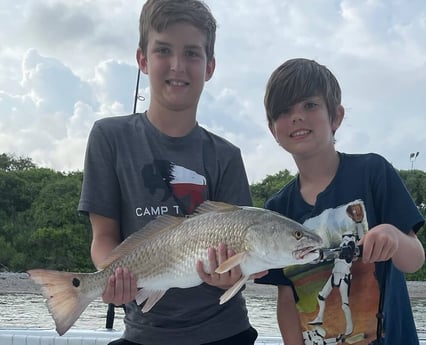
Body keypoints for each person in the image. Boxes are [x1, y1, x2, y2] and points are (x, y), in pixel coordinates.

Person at [78, 1, 260, 344]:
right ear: (142, 60)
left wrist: (231, 274)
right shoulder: (108, 137)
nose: (178, 65)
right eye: (163, 50)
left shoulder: (227, 156)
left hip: (225, 332)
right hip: (143, 332)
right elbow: (103, 236)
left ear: (210, 66)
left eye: (192, 53)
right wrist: (110, 277)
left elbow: (240, 253)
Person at [255, 58, 425, 345]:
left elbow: (415, 260)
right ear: (273, 129)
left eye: (309, 105)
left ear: (336, 116)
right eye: (284, 110)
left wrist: (394, 237)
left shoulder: (374, 172)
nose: (297, 116)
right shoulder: (277, 209)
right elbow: (286, 298)